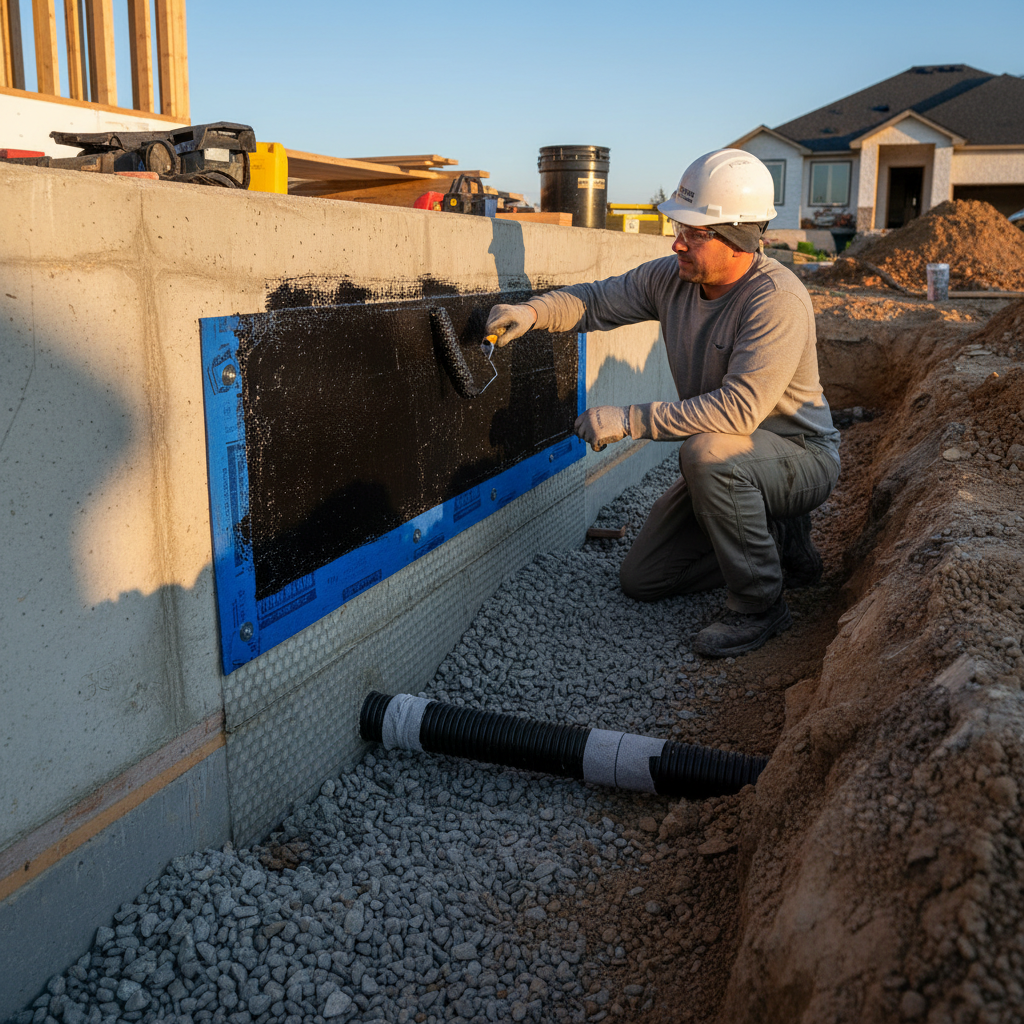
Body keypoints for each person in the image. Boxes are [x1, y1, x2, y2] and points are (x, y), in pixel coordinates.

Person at [484, 149, 840, 658]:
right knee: (643, 578)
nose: (678, 242)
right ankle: (777, 543)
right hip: (732, 456)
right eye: (679, 227)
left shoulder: (776, 299)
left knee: (706, 455)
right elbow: (596, 299)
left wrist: (629, 419)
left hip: (798, 455)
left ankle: (759, 604)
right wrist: (532, 312)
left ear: (739, 236)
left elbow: (738, 411)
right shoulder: (672, 279)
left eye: (696, 233)